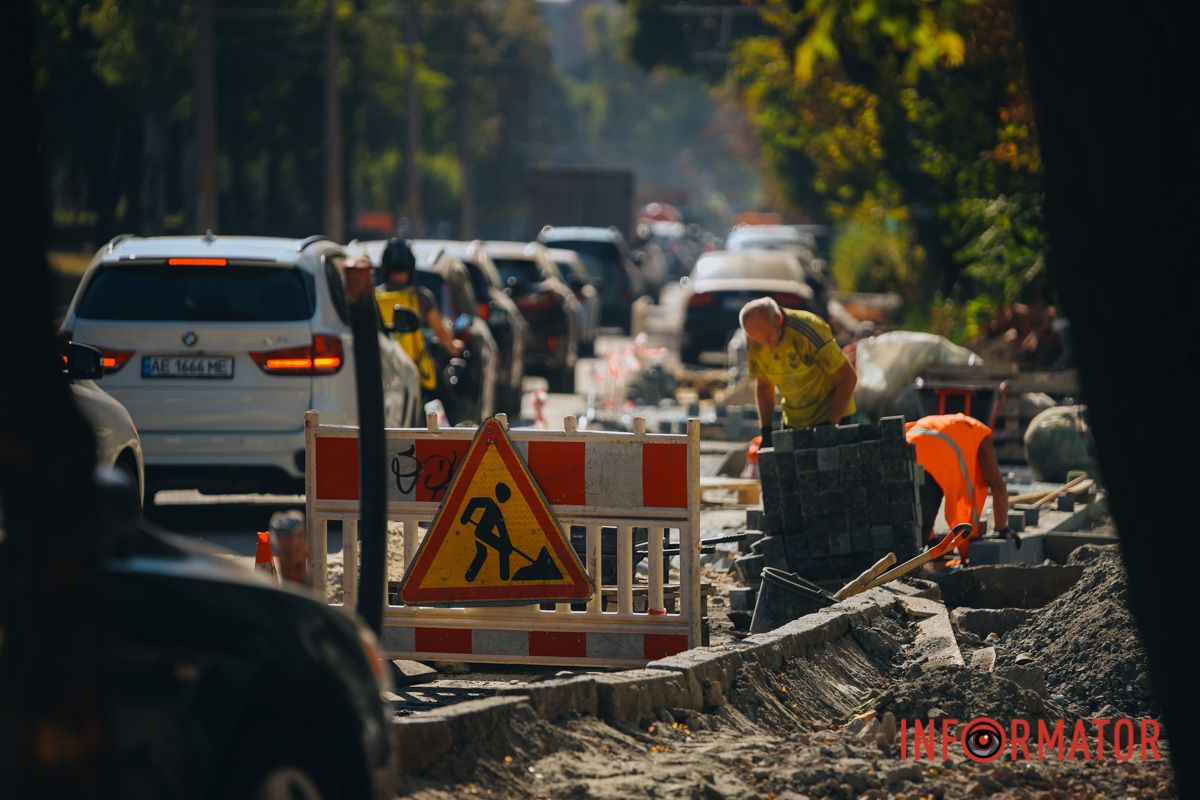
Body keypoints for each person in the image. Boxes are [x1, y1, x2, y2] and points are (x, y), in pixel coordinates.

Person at [739, 297, 857, 445]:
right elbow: (763, 386)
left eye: (768, 337)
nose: (765, 346)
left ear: (778, 319)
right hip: (795, 420)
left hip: (832, 415)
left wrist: (830, 426)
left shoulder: (809, 329)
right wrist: (766, 431)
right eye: (758, 340)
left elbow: (848, 377)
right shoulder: (756, 337)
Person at [906, 413, 1010, 559]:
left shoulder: (955, 428)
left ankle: (924, 546)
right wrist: (1002, 530)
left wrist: (932, 541)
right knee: (925, 506)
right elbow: (997, 484)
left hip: (906, 445)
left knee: (913, 509)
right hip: (926, 448)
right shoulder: (980, 434)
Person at [373, 237, 461, 403]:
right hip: (417, 373)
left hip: (382, 371)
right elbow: (441, 334)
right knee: (449, 403)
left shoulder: (374, 297)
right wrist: (453, 347)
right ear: (411, 267)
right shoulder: (421, 297)